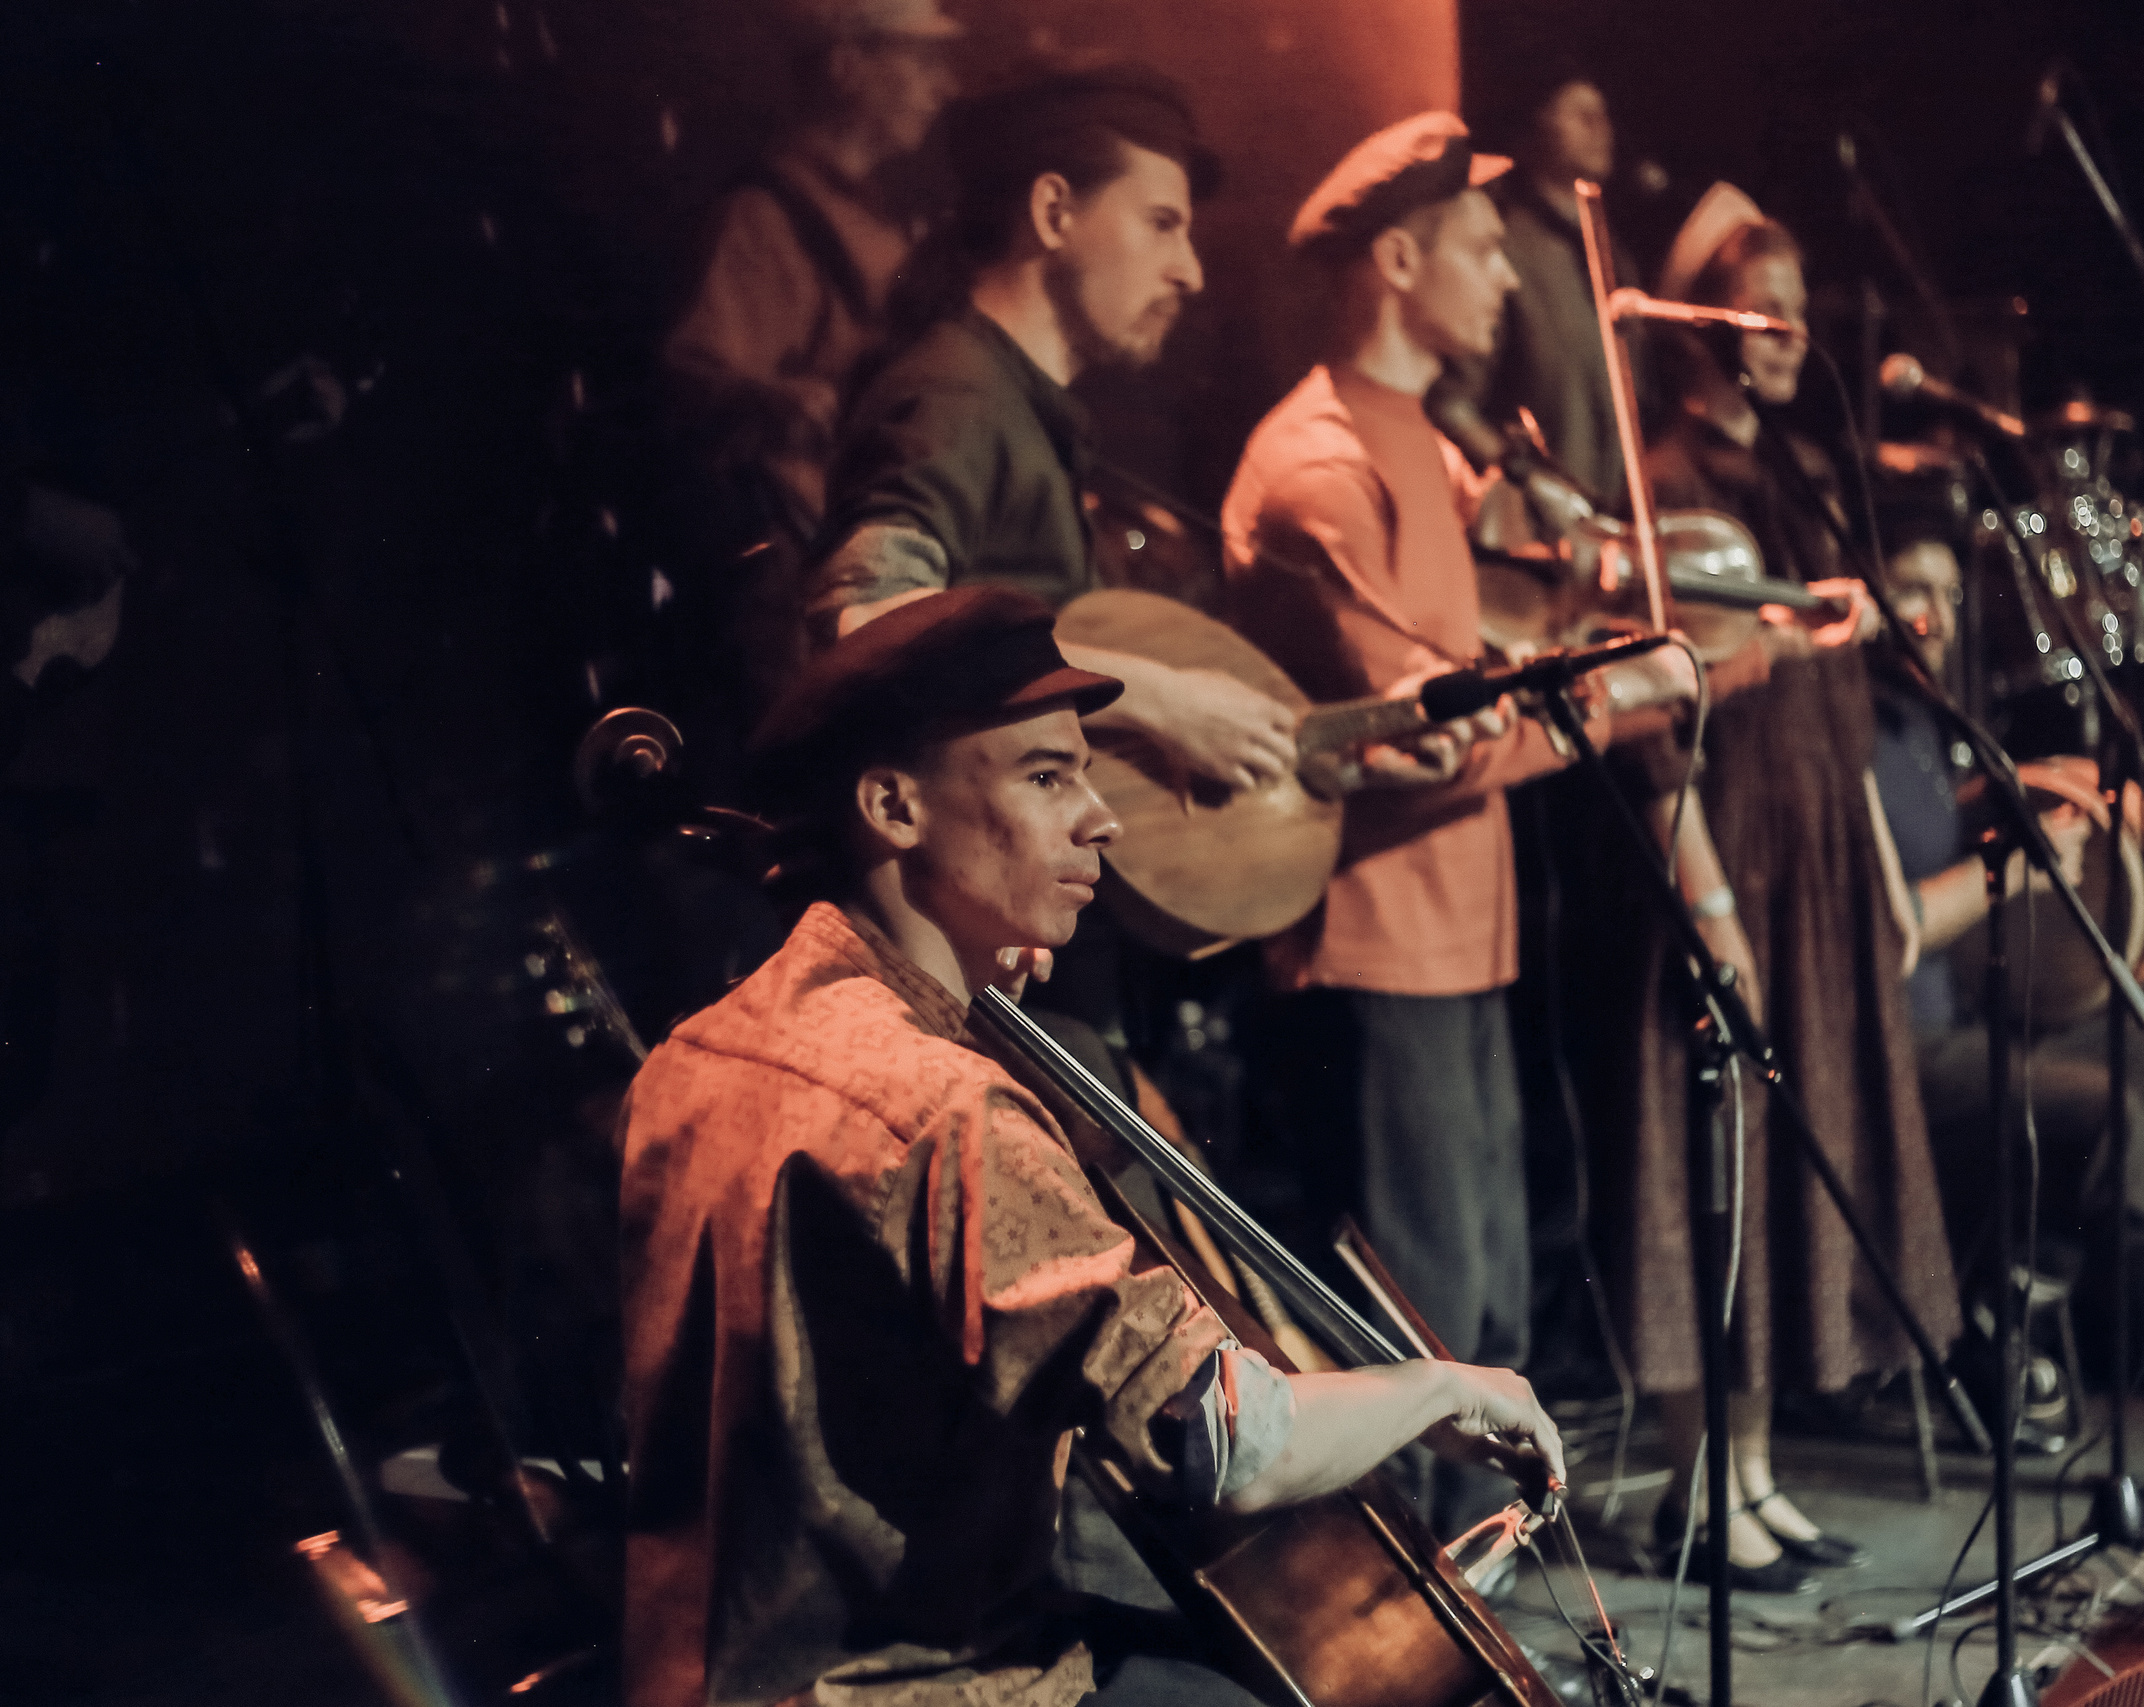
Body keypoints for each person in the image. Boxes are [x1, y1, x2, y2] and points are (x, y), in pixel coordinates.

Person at [617, 585, 1568, 1707]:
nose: (1100, 818)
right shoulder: (948, 1107)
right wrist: (1435, 1391)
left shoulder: (691, 1057)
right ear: (892, 807)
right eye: (1045, 776)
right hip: (909, 1682)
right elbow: (1233, 1446)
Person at [1219, 112, 1650, 1539]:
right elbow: (1415, 751)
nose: (1509, 275)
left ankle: (1479, 1644)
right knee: (1414, 1342)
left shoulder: (1431, 442)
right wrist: (1625, 696)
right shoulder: (1321, 464)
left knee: (1482, 1311)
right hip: (1373, 943)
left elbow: (1500, 646)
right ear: (1399, 261)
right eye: (1479, 245)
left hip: (1463, 940)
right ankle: (1403, 1653)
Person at [1624, 183, 1963, 1589]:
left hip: (1825, 856)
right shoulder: (1668, 484)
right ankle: (1704, 1484)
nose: (1787, 339)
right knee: (1723, 1168)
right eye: (1762, 314)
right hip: (1737, 858)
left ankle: (1760, 1471)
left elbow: (1840, 707)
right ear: (1705, 325)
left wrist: (1885, 865)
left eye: (1797, 316)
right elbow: (1654, 717)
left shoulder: (1807, 477)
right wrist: (1703, 897)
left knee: (1797, 1163)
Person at [1870, 522, 2144, 1515]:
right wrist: (2014, 871)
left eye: (1943, 590)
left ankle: (2016, 1299)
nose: (1931, 616)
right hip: (1888, 1049)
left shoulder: (1922, 726)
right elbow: (1888, 937)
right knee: (2108, 1117)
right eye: (1907, 587)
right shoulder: (1850, 736)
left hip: (1955, 1026)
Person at [807, 63, 1299, 800]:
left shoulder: (1015, 403)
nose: (1190, 272)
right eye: (1163, 224)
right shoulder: (956, 393)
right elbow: (872, 617)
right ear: (1054, 212)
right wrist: (1161, 698)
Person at [663, 0, 962, 551]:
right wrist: (769, 400)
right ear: (847, 67)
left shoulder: (885, 225)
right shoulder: (763, 220)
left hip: (856, 545)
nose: (945, 87)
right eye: (922, 62)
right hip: (784, 559)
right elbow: (687, 380)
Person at [1428, 73, 1639, 510]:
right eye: (1581, 115)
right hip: (1537, 531)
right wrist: (1529, 486)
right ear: (1535, 126)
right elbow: (1453, 402)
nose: (1601, 125)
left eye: (1602, 114)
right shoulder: (1504, 250)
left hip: (1609, 527)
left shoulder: (1613, 254)